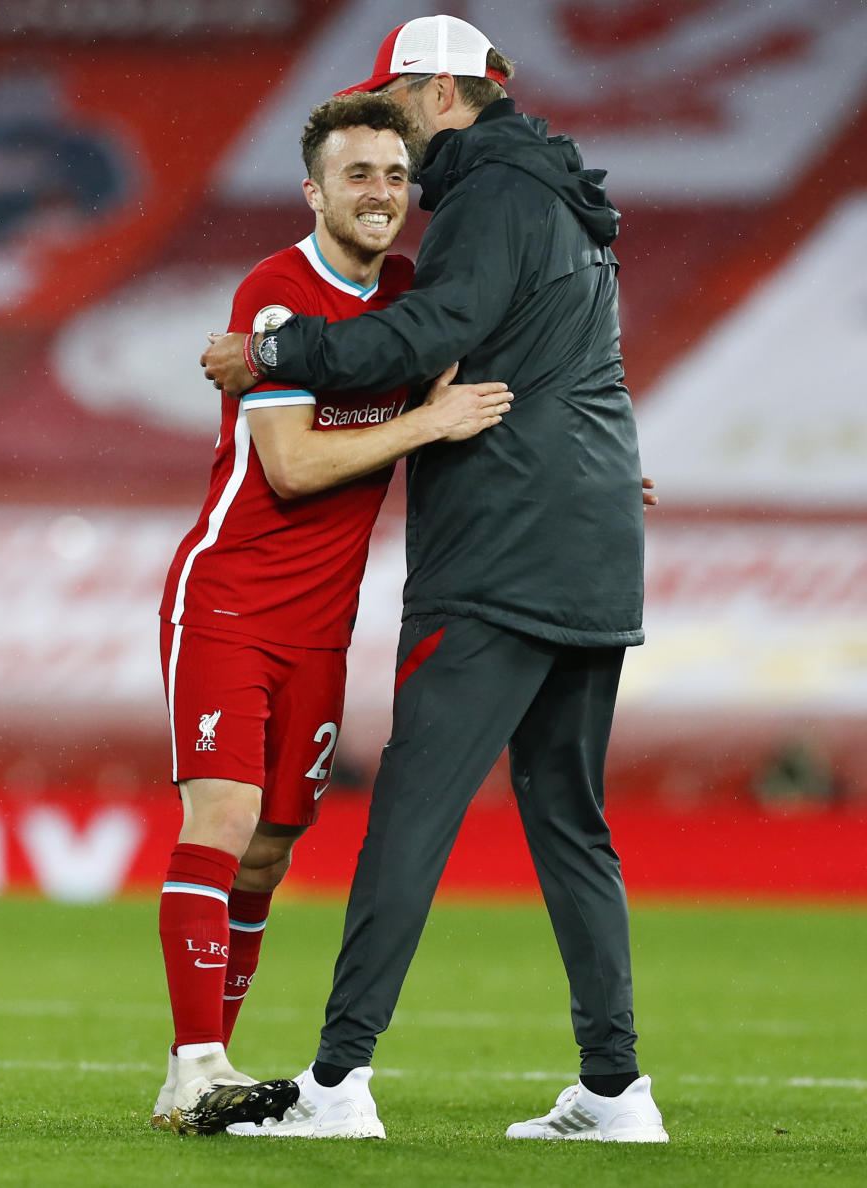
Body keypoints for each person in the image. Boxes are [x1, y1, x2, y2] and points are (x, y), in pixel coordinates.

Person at [201, 14, 669, 1144]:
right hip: (591, 538)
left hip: (501, 552)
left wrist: (277, 350)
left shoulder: (491, 198)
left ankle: (336, 1081)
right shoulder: (560, 197)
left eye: (398, 103)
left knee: (409, 813)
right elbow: (574, 365)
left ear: (438, 90)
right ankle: (615, 1090)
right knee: (570, 821)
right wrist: (590, 484)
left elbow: (433, 330)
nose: (394, 135)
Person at [152, 90, 513, 1137]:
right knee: (220, 820)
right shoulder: (276, 291)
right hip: (227, 597)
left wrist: (583, 478)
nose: (383, 194)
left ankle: (206, 1079)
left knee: (270, 848)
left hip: (321, 622)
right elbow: (295, 464)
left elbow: (480, 402)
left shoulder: (409, 293)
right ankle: (195, 1065)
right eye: (359, 174)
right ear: (314, 191)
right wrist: (427, 422)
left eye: (398, 177)